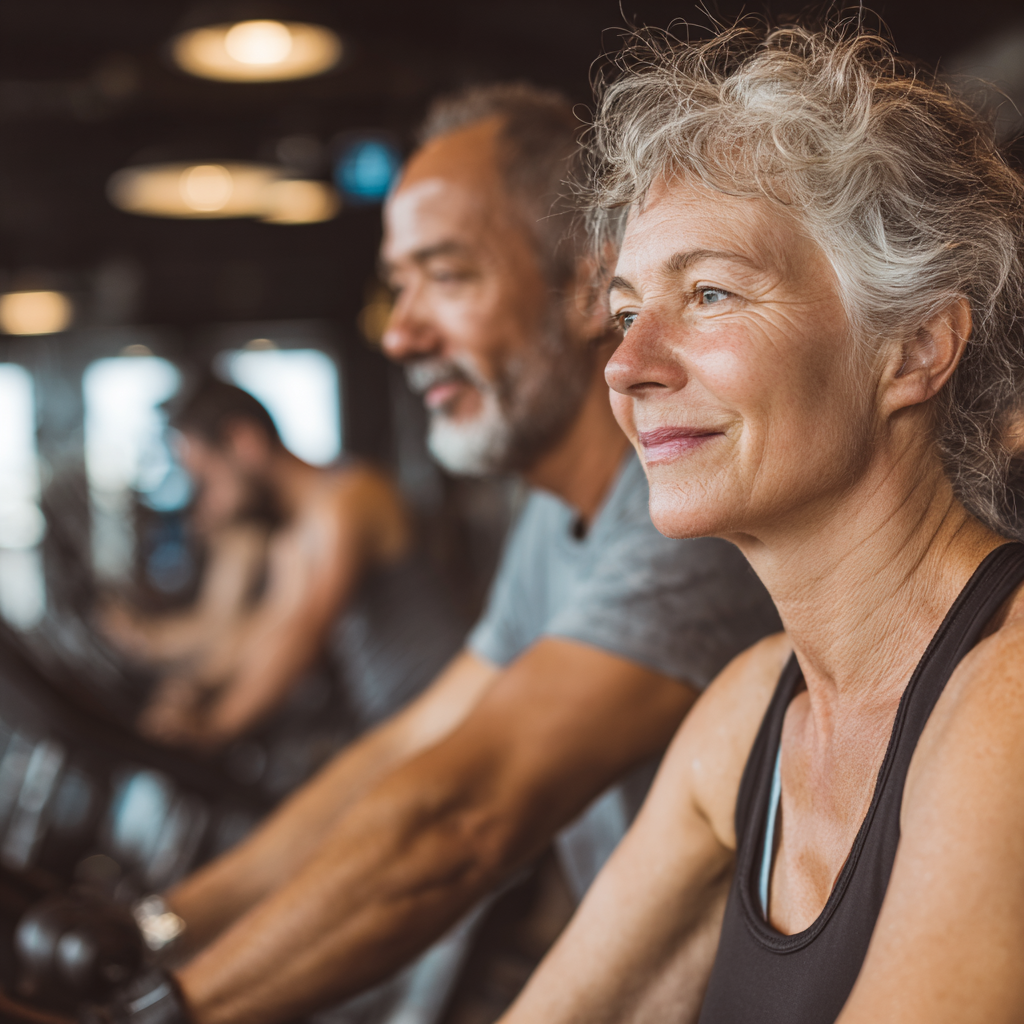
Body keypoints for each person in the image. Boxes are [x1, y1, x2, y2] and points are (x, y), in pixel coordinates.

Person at [82, 85, 780, 1024]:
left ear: (587, 286)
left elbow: (464, 819)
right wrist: (155, 929)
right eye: (398, 286)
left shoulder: (683, 525)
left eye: (446, 276)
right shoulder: (555, 518)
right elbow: (412, 745)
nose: (402, 333)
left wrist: (155, 1009)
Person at [498, 22, 1024, 1024]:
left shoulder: (1005, 700)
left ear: (912, 349)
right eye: (623, 313)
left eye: (706, 293)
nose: (626, 365)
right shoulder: (749, 714)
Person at [101, 379, 468, 791]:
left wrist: (212, 729)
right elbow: (268, 629)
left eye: (207, 480)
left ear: (245, 442)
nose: (205, 503)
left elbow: (301, 633)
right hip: (396, 726)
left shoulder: (347, 497)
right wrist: (192, 687)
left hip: (447, 729)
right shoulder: (295, 534)